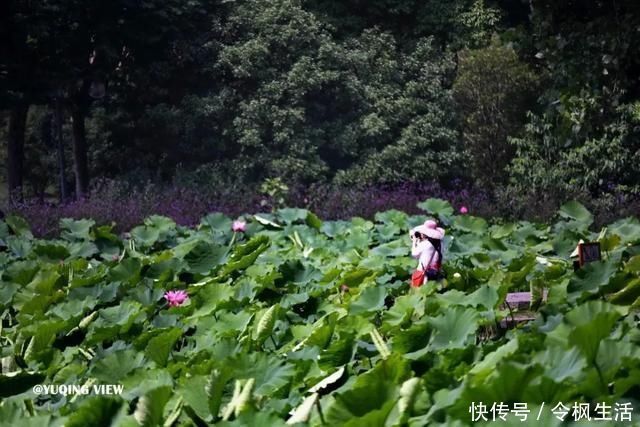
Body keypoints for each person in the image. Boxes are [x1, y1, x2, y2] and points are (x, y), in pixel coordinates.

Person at [409, 219, 445, 288]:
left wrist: (414, 242)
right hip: (435, 271)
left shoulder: (426, 244)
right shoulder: (440, 244)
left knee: (418, 291)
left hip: (423, 273)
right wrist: (419, 242)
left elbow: (414, 254)